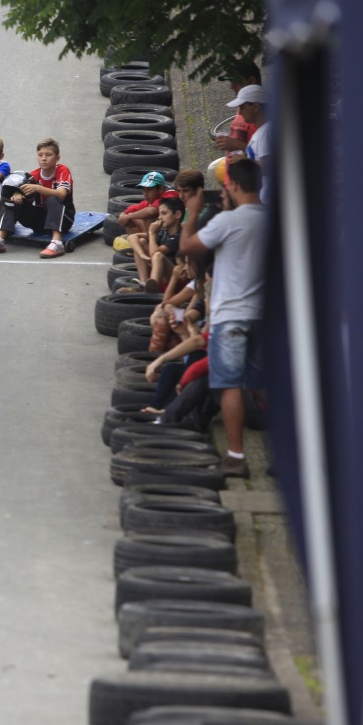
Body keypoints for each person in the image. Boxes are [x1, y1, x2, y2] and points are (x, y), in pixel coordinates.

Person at [178, 157, 269, 478]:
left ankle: (236, 456)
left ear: (232, 185)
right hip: (265, 316)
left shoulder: (229, 221)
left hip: (231, 315)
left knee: (229, 384)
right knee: (262, 386)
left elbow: (188, 245)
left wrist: (192, 212)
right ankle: (281, 456)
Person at [0, 137, 74, 258]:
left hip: (64, 219)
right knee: (13, 201)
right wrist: (17, 194)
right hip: (40, 221)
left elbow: (61, 194)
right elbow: (20, 192)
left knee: (53, 198)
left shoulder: (62, 171)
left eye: (48, 155)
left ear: (57, 158)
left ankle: (57, 242)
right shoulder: (33, 175)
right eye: (40, 155)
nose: (44, 159)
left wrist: (38, 188)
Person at [213, 61, 261, 165]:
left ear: (252, 80)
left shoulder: (257, 116)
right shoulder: (245, 108)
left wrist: (237, 145)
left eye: (236, 82)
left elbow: (264, 155)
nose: (232, 87)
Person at [118, 171, 172, 238]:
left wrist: (128, 216)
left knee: (147, 216)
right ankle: (140, 242)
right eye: (144, 190)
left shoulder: (167, 197)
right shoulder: (148, 202)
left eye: (149, 190)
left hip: (168, 236)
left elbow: (151, 211)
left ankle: (147, 243)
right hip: (154, 234)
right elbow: (134, 208)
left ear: (160, 189)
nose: (145, 194)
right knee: (130, 221)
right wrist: (123, 214)